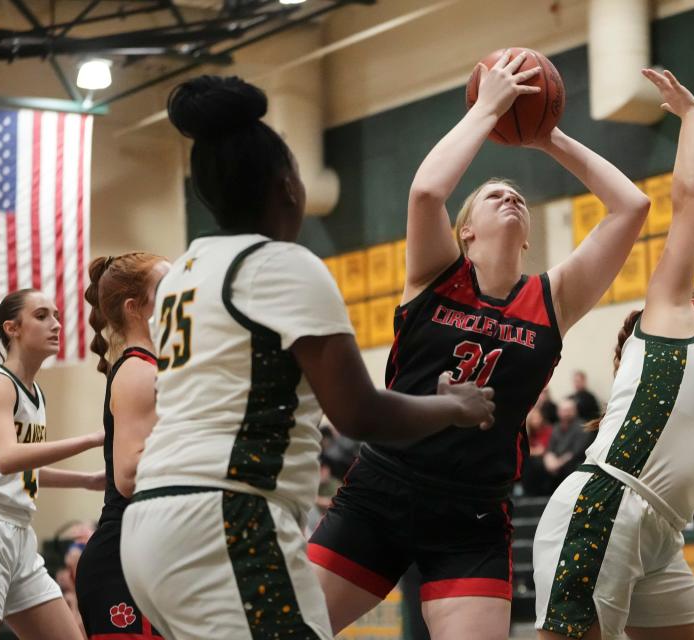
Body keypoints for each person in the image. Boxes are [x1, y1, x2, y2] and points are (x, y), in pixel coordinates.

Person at [118, 75, 495, 640]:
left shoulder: (185, 272)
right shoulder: (282, 265)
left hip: (151, 522)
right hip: (226, 517)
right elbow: (358, 413)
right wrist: (452, 408)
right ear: (287, 187)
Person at [309, 49, 652, 639]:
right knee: (286, 629)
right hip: (382, 488)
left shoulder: (553, 299)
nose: (510, 197)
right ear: (465, 230)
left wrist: (547, 138)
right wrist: (486, 110)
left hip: (472, 513)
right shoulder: (437, 273)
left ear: (526, 244)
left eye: (517, 196)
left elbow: (632, 206)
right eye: (494, 195)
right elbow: (424, 194)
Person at [532, 69, 694, 640]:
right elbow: (691, 202)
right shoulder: (671, 317)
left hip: (661, 535)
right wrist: (691, 117)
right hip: (607, 507)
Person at [0, 289, 105, 640]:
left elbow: (21, 469)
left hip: (18, 533)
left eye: (57, 315)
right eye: (42, 315)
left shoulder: (34, 392)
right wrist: (92, 439)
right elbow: (6, 458)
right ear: (12, 328)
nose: (57, 325)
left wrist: (87, 480)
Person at [74, 253, 170, 639]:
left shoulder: (154, 366)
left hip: (149, 550)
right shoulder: (138, 372)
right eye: (166, 290)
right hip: (121, 558)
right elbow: (129, 476)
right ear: (135, 309)